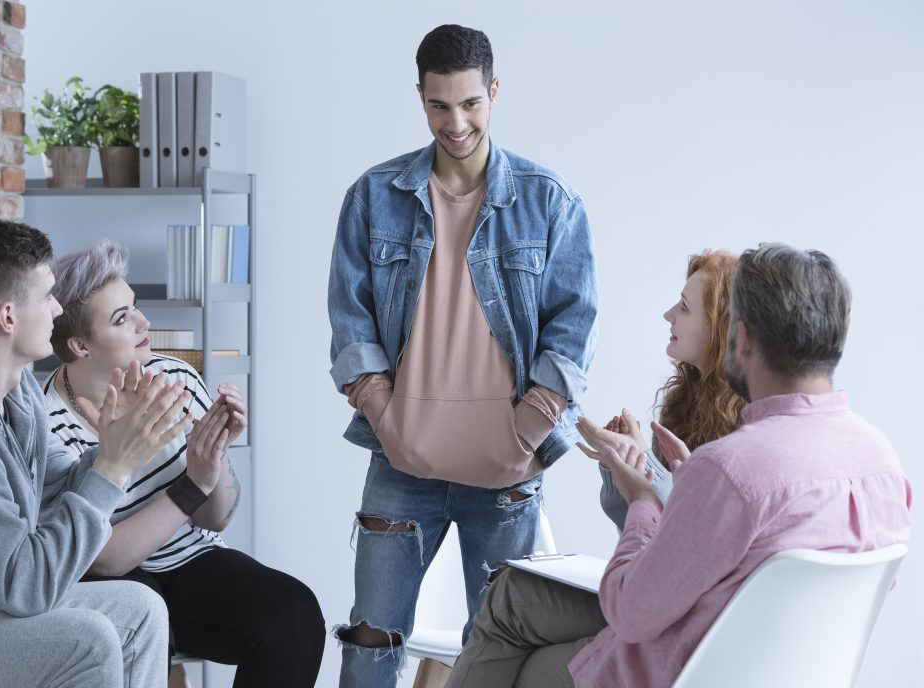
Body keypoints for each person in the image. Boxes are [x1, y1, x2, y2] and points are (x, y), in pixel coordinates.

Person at [445, 243, 912, 688]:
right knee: (520, 603)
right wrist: (690, 486)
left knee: (517, 639)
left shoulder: (731, 469)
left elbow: (631, 611)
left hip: (687, 671)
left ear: (741, 337)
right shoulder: (884, 463)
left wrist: (643, 500)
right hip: (789, 674)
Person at [327, 23, 598, 687]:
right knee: (370, 643)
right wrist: (389, 421)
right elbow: (349, 320)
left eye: (470, 104)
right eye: (440, 106)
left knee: (496, 657)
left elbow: (576, 324)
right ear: (420, 98)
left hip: (505, 475)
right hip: (401, 466)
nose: (457, 123)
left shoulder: (548, 200)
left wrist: (527, 430)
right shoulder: (373, 195)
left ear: (494, 93)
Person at [0, 219, 185, 687]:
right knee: (88, 639)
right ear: (8, 317)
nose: (58, 309)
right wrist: (113, 468)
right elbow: (26, 585)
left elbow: (57, 487)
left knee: (141, 610)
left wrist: (114, 447)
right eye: (47, 296)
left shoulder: (14, 390)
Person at [44, 240, 326, 688]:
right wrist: (191, 485)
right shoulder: (47, 424)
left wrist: (215, 458)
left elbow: (218, 518)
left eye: (135, 307)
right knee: (138, 621)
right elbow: (104, 560)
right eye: (122, 318)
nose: (144, 322)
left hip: (187, 561)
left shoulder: (176, 377)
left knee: (294, 613)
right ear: (80, 345)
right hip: (104, 582)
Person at [575, 251, 745, 532]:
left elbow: (698, 535)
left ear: (720, 327)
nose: (669, 314)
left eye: (685, 307)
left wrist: (643, 461)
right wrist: (620, 465)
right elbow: (639, 531)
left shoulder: (752, 423)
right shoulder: (683, 402)